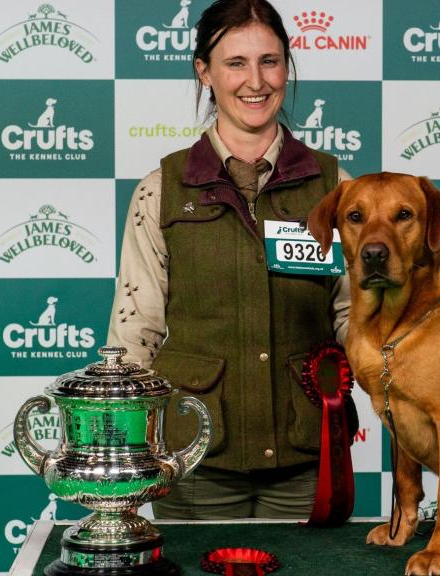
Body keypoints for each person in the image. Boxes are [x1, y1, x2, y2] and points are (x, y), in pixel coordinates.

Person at [107, 0, 350, 520]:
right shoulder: (160, 191)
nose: (255, 81)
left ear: (288, 66)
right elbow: (136, 333)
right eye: (235, 63)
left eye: (270, 60)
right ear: (205, 72)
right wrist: (126, 458)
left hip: (309, 460)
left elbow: (357, 318)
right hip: (194, 461)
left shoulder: (338, 189)